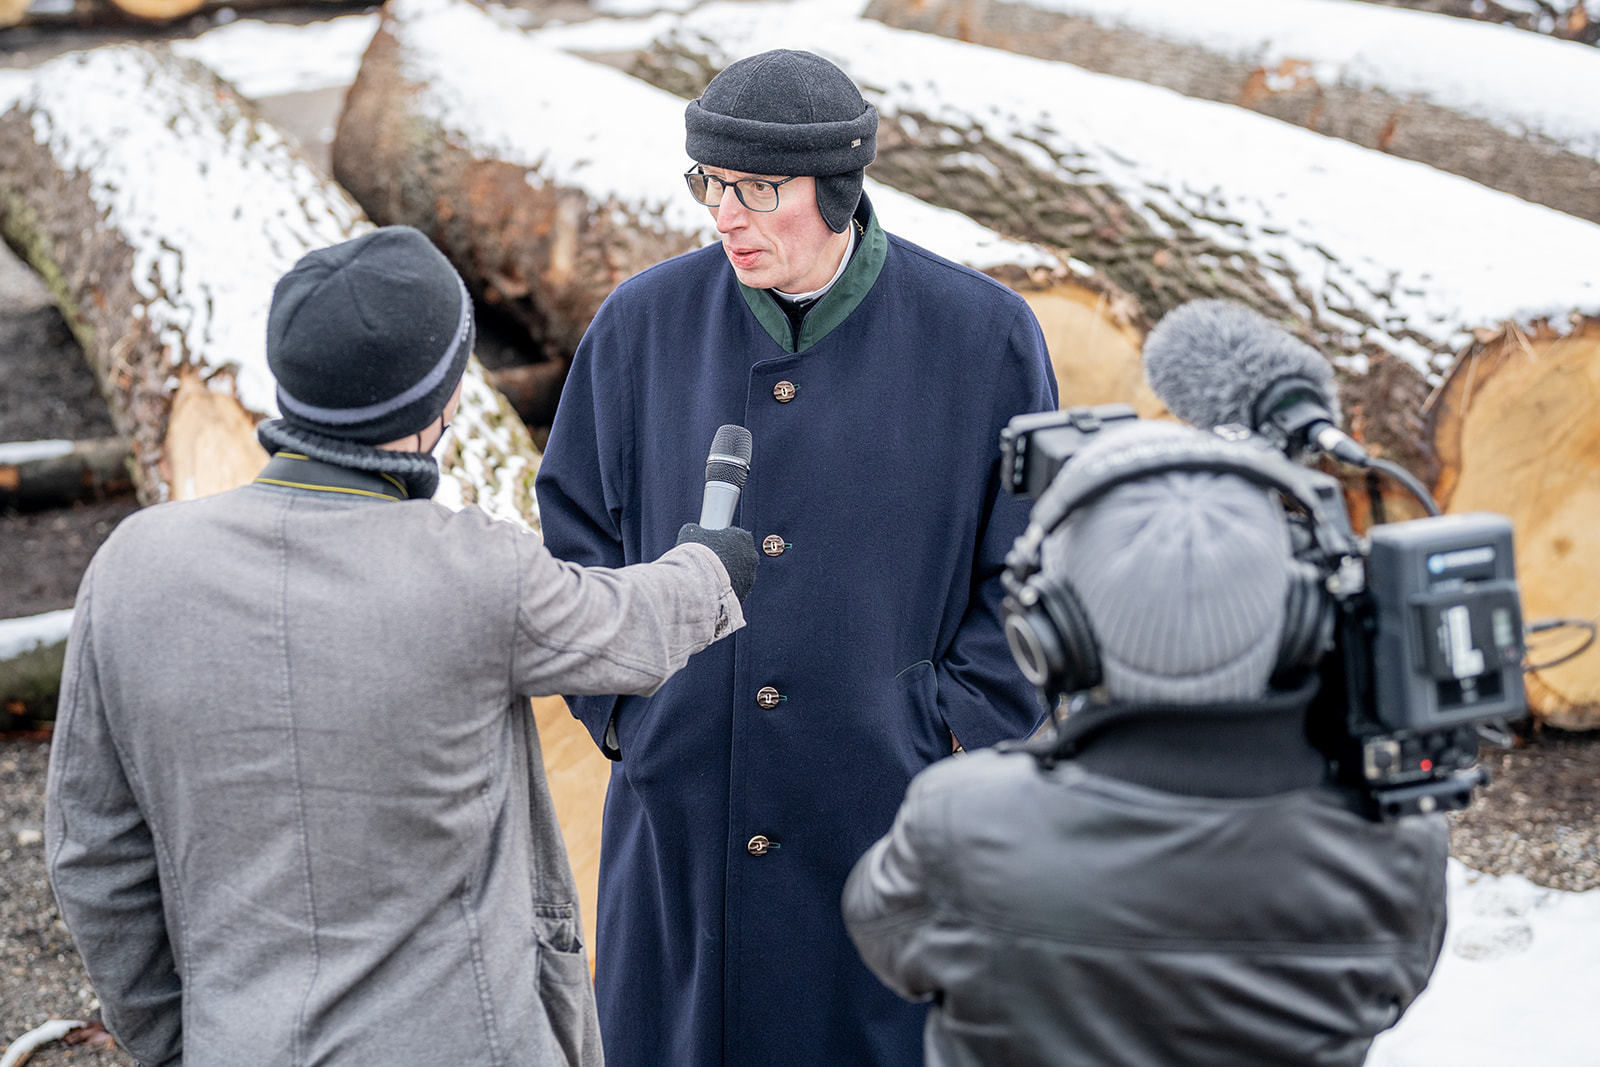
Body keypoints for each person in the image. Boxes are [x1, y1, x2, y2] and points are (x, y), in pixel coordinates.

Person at [44, 225, 758, 1067]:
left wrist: (178, 1038)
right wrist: (712, 568)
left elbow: (92, 855)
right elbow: (627, 628)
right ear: (444, 402)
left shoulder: (133, 566)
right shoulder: (472, 568)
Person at [534, 48, 1058, 1067]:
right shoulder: (641, 323)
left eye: (758, 189)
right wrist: (627, 713)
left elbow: (1037, 568)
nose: (725, 215)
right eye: (709, 183)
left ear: (839, 187)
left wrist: (948, 730)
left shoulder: (983, 336)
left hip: (892, 821)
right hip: (682, 819)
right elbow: (574, 535)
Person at [842, 419, 1449, 1067]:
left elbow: (881, 934)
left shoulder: (959, 823)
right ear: (1298, 615)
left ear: (1056, 634)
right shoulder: (1396, 852)